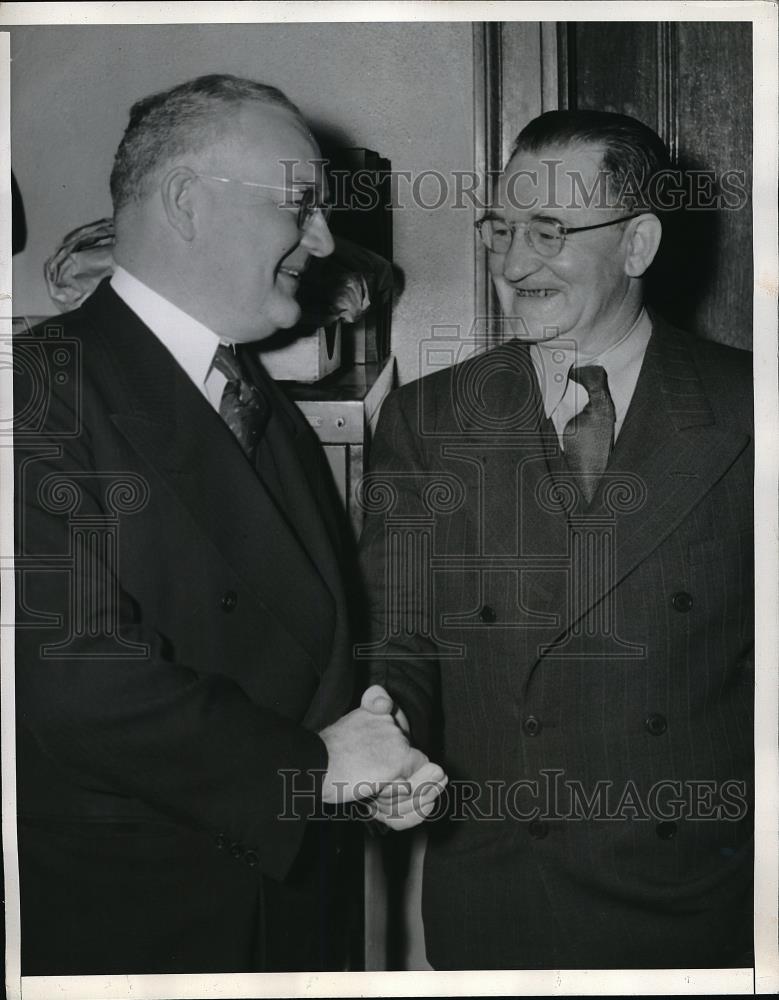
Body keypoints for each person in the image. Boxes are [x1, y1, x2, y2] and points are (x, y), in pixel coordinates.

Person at [12, 73, 442, 975]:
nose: (322, 241)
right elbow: (77, 685)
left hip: (287, 910)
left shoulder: (253, 398)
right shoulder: (36, 387)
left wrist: (376, 755)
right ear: (186, 203)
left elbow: (317, 641)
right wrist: (315, 767)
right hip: (148, 932)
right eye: (299, 206)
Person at [359, 109, 754, 969]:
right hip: (503, 893)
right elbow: (402, 637)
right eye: (501, 228)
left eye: (550, 231)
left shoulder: (751, 410)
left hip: (703, 899)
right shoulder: (426, 419)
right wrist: (393, 741)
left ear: (638, 243)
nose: (512, 264)